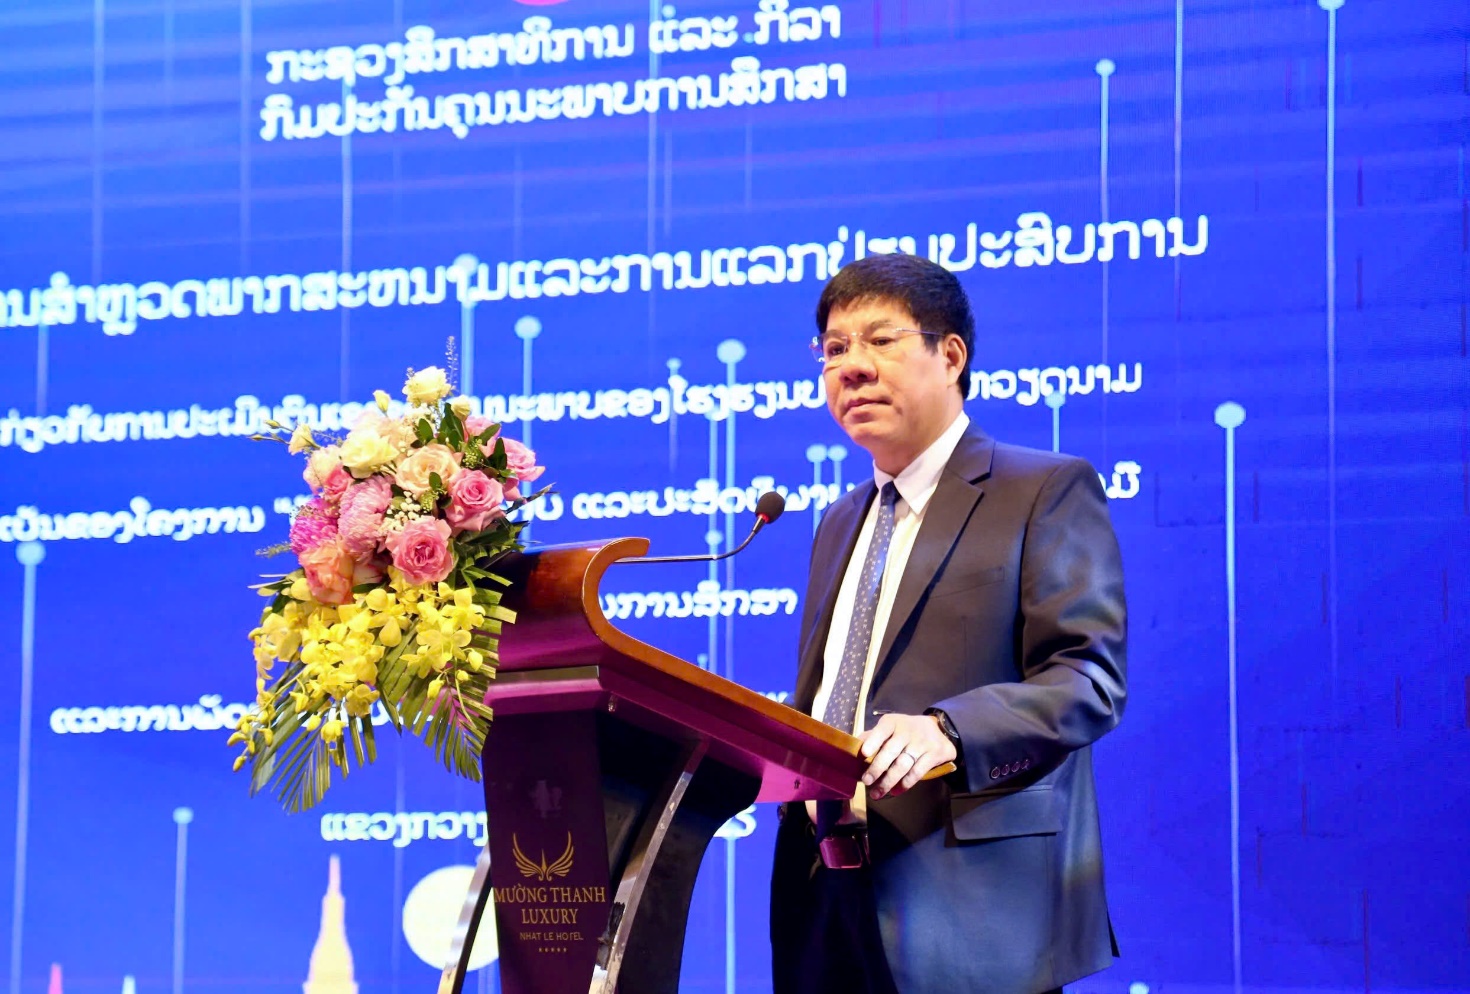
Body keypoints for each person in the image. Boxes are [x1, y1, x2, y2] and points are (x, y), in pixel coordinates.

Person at [769, 253, 1128, 994]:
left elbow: (1087, 679)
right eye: (834, 349)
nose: (851, 367)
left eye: (880, 340)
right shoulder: (838, 522)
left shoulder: (1043, 489)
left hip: (969, 907)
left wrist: (949, 730)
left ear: (952, 356)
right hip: (824, 897)